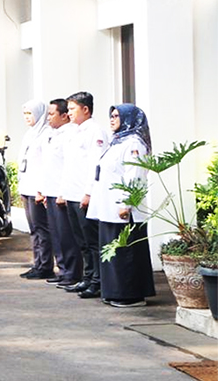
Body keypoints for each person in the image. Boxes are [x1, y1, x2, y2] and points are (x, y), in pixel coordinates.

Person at [88, 104, 156, 308]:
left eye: (117, 115)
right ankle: (115, 292)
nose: (112, 119)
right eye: (111, 115)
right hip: (108, 208)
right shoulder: (117, 142)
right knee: (114, 253)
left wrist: (126, 203)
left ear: (128, 118)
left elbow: (134, 175)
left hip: (124, 210)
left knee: (126, 254)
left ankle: (130, 295)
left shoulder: (134, 144)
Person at [60, 91, 110, 298]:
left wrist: (89, 192)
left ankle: (97, 282)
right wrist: (64, 191)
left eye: (72, 109)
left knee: (92, 241)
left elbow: (96, 165)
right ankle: (87, 278)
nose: (69, 113)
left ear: (85, 109)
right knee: (81, 241)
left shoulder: (95, 132)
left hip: (85, 194)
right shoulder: (74, 131)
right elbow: (69, 165)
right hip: (72, 193)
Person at [38, 99, 82, 286]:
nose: (48, 118)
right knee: (56, 234)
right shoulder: (54, 134)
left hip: (61, 192)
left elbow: (68, 166)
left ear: (64, 116)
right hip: (51, 191)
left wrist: (62, 192)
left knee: (66, 236)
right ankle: (63, 270)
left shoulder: (69, 134)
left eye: (52, 114)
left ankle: (72, 273)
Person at [17, 100, 55, 280]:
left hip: (37, 189)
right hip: (27, 186)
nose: (27, 118)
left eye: (30, 114)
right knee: (33, 229)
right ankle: (37, 263)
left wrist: (42, 189)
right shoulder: (30, 134)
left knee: (42, 228)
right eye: (25, 114)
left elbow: (47, 164)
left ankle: (46, 265)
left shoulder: (46, 134)